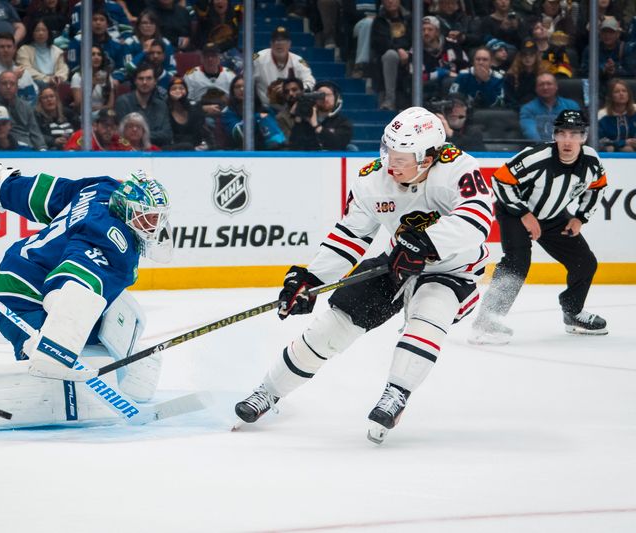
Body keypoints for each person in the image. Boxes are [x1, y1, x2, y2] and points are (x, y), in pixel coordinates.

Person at [234, 107, 493, 443]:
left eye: (402, 157)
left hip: (453, 270)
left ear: (428, 158)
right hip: (396, 264)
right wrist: (311, 280)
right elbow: (350, 236)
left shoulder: (458, 168)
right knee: (332, 326)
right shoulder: (372, 180)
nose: (391, 163)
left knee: (428, 315)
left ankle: (396, 394)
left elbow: (478, 219)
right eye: (388, 151)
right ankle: (267, 392)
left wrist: (426, 244)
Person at [0, 145, 172, 432]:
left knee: (122, 317)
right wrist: (57, 347)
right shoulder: (113, 240)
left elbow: (40, 195)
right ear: (127, 210)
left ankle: (89, 361)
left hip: (26, 271)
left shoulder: (102, 189)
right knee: (49, 369)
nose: (155, 226)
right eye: (149, 217)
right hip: (23, 297)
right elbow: (72, 279)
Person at [469, 110, 608, 345]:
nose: (567, 140)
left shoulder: (591, 161)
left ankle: (573, 312)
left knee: (585, 262)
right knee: (517, 263)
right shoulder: (537, 157)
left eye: (574, 134)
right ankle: (487, 319)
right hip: (515, 212)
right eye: (562, 133)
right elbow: (500, 180)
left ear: (583, 138)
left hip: (554, 218)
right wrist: (524, 214)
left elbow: (598, 187)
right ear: (554, 135)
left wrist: (580, 218)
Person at [0, 70, 47, 150]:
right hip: (0, 149)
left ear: (17, 87)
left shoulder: (25, 106)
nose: (8, 87)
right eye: (4, 84)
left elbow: (35, 132)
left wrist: (42, 149)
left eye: (12, 84)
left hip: (27, 150)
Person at [253, 26, 316, 107]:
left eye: (283, 40)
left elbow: (310, 82)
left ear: (289, 44)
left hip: (291, 108)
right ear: (271, 44)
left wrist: (294, 88)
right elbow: (243, 80)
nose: (279, 43)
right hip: (264, 109)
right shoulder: (259, 59)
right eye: (276, 40)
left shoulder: (298, 61)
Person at [114, 63, 173, 147]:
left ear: (155, 81)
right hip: (130, 151)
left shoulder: (161, 105)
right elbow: (122, 134)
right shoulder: (123, 102)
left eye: (149, 78)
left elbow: (167, 135)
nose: (145, 82)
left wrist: (140, 134)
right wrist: (154, 135)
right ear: (135, 81)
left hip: (158, 152)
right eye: (141, 79)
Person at [369, 0, 411, 109]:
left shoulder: (410, 18)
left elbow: (414, 38)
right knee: (390, 55)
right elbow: (381, 42)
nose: (390, 2)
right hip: (389, 54)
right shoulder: (379, 20)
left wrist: (407, 52)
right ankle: (389, 99)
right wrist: (398, 50)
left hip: (410, 52)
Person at [288, 81, 353, 150]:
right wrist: (298, 119)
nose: (324, 98)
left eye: (328, 95)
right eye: (320, 95)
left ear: (336, 98)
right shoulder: (305, 121)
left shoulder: (343, 122)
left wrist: (317, 126)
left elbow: (338, 144)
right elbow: (294, 147)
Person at [0, 32, 39, 103]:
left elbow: (36, 92)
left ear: (14, 49)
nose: (6, 50)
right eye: (2, 47)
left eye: (9, 46)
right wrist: (13, 77)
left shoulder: (23, 71)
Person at [519, 72, 580, 141]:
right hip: (539, 148)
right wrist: (545, 148)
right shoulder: (527, 109)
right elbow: (530, 132)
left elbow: (576, 130)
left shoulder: (571, 106)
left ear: (556, 87)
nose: (545, 87)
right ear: (536, 89)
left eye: (549, 84)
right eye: (541, 84)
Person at [16, 17, 70, 88]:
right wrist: (47, 79)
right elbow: (26, 69)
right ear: (32, 33)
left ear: (48, 32)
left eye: (44, 30)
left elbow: (63, 69)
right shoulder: (24, 50)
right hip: (36, 83)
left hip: (56, 83)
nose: (41, 33)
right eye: (37, 30)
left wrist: (57, 78)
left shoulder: (57, 51)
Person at [165, 76, 208, 151]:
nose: (178, 91)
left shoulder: (195, 107)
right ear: (168, 92)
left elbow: (201, 131)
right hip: (172, 149)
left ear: (187, 91)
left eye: (181, 88)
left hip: (195, 148)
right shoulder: (164, 108)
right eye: (174, 89)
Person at [70, 45, 116, 113]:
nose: (96, 57)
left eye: (99, 54)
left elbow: (110, 105)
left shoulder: (107, 76)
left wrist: (100, 108)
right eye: (93, 54)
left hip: (103, 113)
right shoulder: (77, 77)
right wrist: (93, 85)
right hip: (84, 114)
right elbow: (79, 106)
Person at [503, 39, 547, 107]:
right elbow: (508, 99)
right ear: (519, 56)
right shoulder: (511, 76)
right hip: (516, 112)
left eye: (531, 55)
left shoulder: (544, 76)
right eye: (524, 55)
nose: (527, 58)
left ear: (536, 56)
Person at [35, 85, 79, 150]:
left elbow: (80, 130)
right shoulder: (37, 116)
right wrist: (53, 141)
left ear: (57, 99)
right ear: (40, 102)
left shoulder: (69, 113)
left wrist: (74, 137)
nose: (49, 100)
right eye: (45, 98)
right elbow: (36, 135)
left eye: (52, 96)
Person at [598, 78, 636, 152]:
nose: (621, 94)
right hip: (610, 151)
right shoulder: (603, 115)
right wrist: (623, 143)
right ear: (611, 96)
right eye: (617, 92)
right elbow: (599, 140)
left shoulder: (635, 112)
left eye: (624, 91)